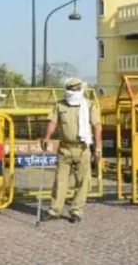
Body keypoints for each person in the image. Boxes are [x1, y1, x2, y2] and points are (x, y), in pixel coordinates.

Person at [42, 78, 102, 223]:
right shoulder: (60, 105)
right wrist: (47, 137)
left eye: (76, 89)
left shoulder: (89, 105)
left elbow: (97, 126)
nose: (74, 91)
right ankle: (54, 210)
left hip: (83, 149)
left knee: (82, 182)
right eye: (71, 89)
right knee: (60, 181)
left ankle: (76, 211)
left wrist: (98, 147)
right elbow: (53, 122)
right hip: (65, 149)